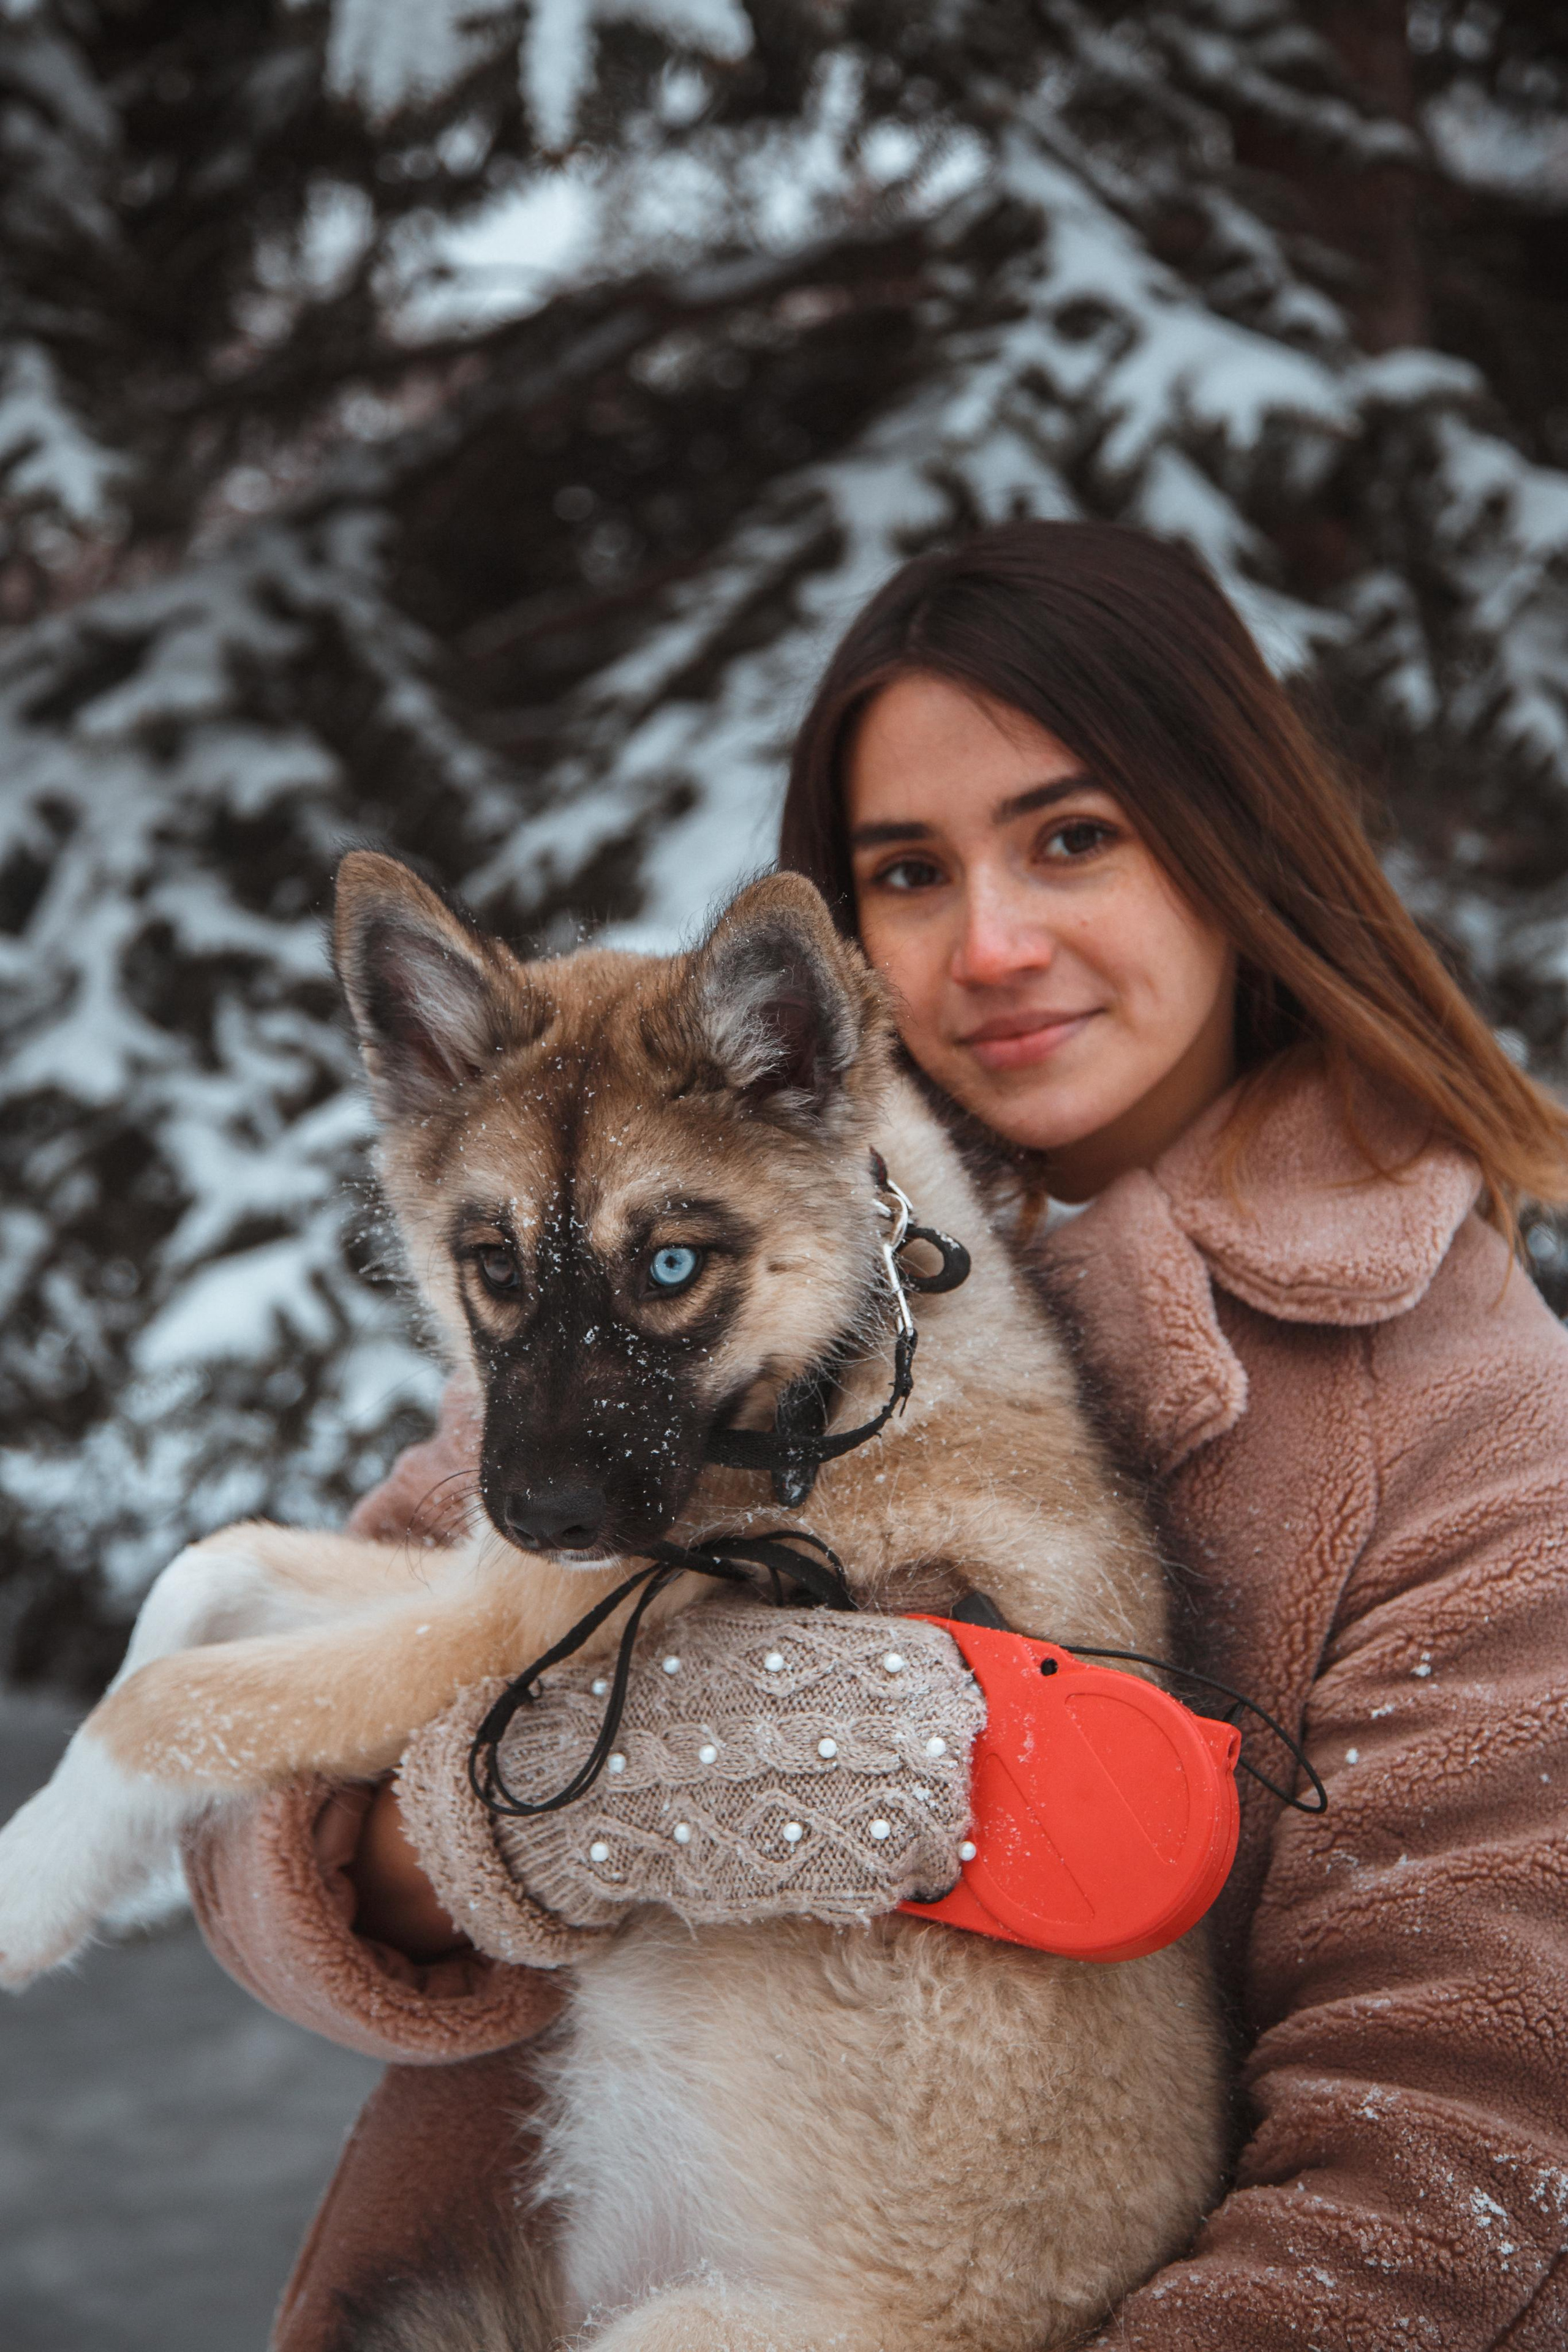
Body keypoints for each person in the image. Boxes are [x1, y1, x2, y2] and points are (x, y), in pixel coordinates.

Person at [188, 521, 1568, 2350]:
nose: (991, 946)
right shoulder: (680, 1252)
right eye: (909, 871)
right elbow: (261, 1834)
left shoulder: (1479, 1422)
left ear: (1234, 847)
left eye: (1074, 836)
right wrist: (527, 1820)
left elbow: (1455, 2154)